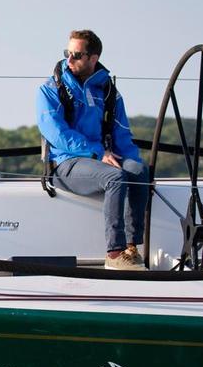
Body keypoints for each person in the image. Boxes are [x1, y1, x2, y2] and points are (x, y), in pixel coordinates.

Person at [36, 29, 149, 270]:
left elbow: (122, 134)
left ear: (93, 58)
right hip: (65, 163)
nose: (69, 59)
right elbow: (57, 134)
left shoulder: (108, 92)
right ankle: (114, 254)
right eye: (67, 53)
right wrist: (98, 152)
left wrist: (132, 163)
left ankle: (132, 247)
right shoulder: (49, 89)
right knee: (115, 177)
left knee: (139, 172)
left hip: (100, 158)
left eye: (76, 55)